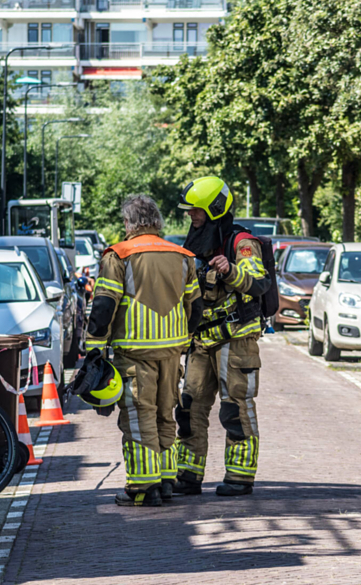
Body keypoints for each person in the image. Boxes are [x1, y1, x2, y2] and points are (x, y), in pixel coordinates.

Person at [85, 194, 202, 507]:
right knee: (166, 416)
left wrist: (94, 348)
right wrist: (184, 340)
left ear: (129, 223)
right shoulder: (182, 255)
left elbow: (104, 305)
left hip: (135, 352)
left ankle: (142, 486)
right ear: (157, 222)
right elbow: (196, 307)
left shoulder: (119, 255)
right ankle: (165, 481)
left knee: (138, 418)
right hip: (172, 352)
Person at [172, 177, 271, 497]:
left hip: (236, 340)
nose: (191, 215)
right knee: (188, 407)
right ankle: (187, 475)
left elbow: (258, 283)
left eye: (196, 210)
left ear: (214, 208)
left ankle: (240, 476)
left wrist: (230, 270)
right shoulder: (199, 242)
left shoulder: (241, 243)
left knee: (235, 408)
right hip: (201, 341)